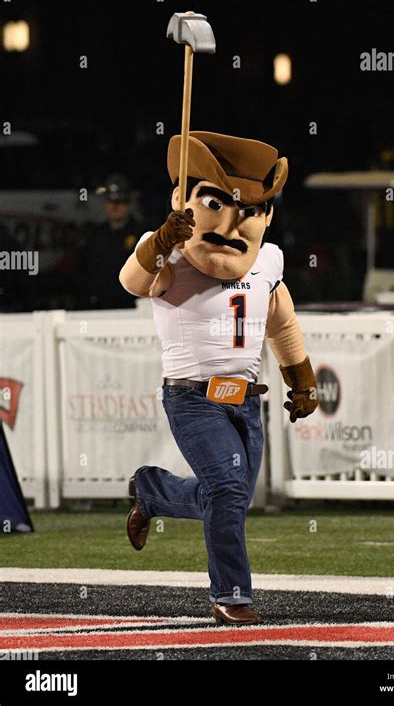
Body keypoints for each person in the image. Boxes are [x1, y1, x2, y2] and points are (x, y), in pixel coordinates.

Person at [119, 132, 319, 625]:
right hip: (192, 397)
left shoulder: (267, 260)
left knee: (226, 497)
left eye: (250, 210)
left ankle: (151, 491)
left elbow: (281, 321)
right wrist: (164, 241)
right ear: (183, 201)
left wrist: (302, 380)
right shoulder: (167, 251)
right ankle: (231, 595)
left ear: (266, 215)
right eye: (216, 203)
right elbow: (133, 281)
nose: (233, 222)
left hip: (247, 399)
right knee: (228, 493)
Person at [79, 174, 144, 309]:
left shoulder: (142, 235)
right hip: (99, 307)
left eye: (120, 202)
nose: (114, 207)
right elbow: (86, 273)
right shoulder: (95, 235)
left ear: (128, 204)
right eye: (110, 201)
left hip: (131, 308)